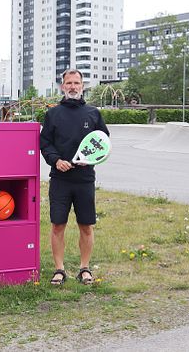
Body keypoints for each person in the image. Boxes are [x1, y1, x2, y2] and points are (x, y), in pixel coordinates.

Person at [39, 69, 110, 285]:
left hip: (85, 179)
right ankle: (59, 270)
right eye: (68, 83)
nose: (72, 86)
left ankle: (84, 268)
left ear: (82, 86)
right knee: (57, 225)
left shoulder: (93, 113)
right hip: (60, 179)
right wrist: (55, 160)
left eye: (76, 83)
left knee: (86, 226)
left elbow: (103, 141)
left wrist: (90, 159)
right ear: (62, 86)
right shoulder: (53, 114)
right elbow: (45, 143)